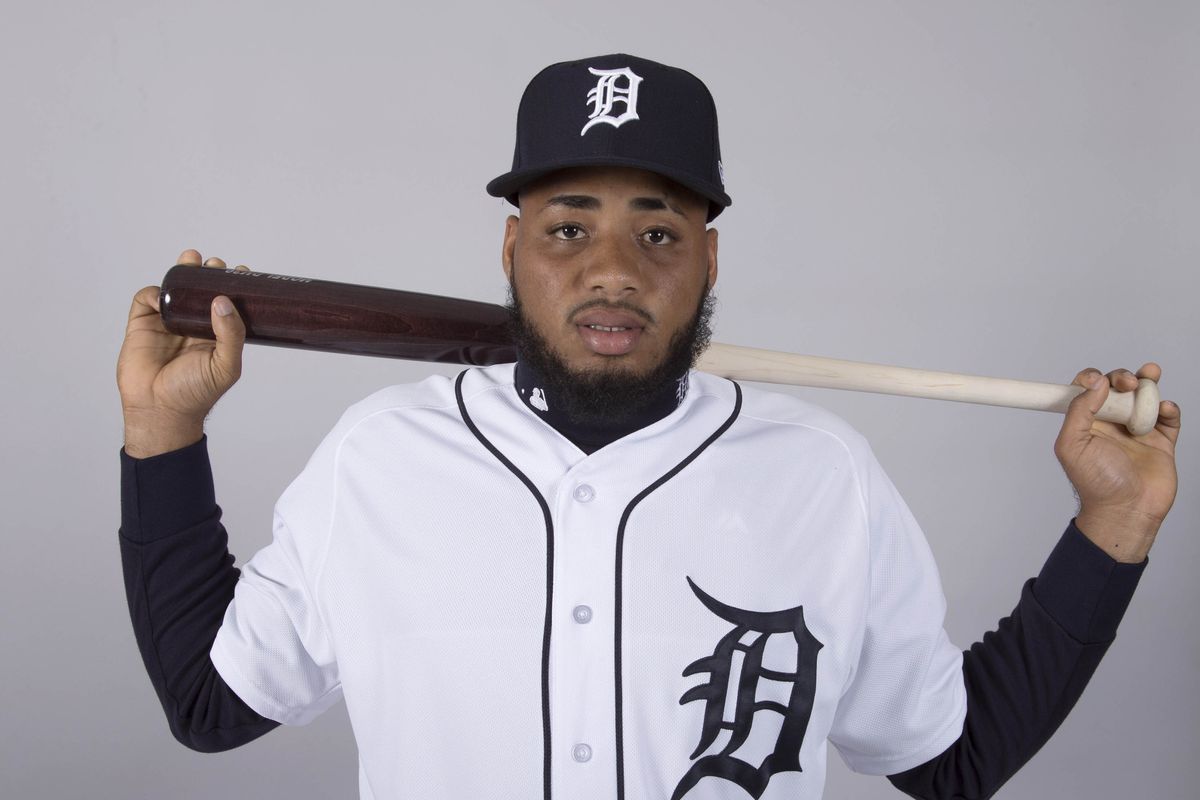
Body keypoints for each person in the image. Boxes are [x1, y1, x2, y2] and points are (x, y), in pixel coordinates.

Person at [117, 54, 1180, 800]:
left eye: (659, 232)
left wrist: (1116, 525)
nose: (612, 270)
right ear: (510, 251)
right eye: (567, 226)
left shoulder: (823, 476)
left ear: (710, 260)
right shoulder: (379, 457)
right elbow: (212, 703)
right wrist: (162, 432)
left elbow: (954, 759)